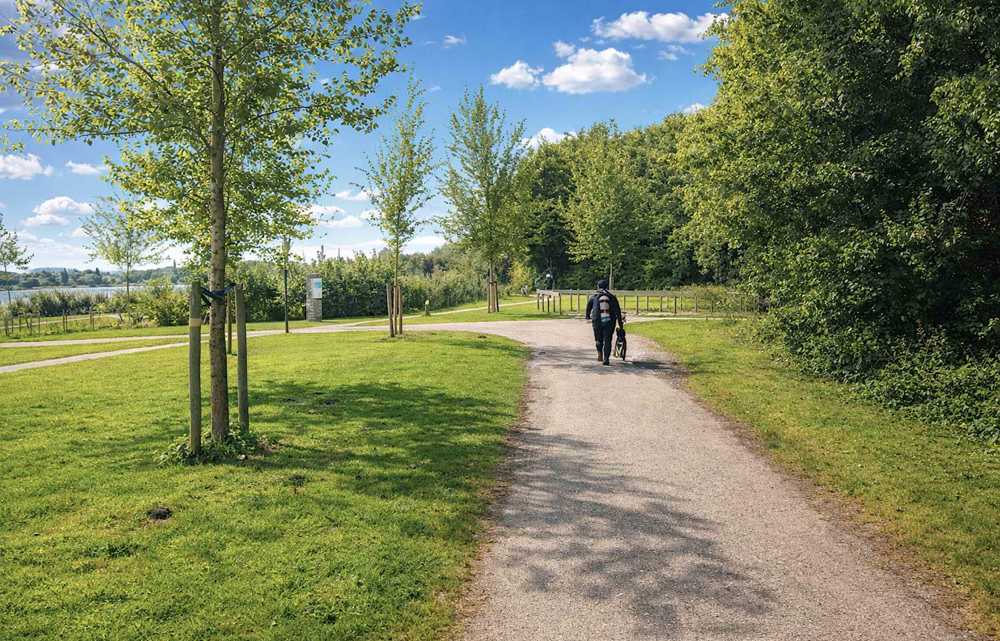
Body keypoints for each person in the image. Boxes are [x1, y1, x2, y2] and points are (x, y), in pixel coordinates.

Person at [585, 278, 623, 366]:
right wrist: (620, 324)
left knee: (598, 339)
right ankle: (606, 359)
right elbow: (618, 311)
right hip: (610, 321)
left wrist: (587, 316)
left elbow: (588, 308)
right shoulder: (612, 297)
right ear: (607, 287)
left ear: (598, 287)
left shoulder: (594, 297)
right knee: (608, 340)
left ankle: (600, 354)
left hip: (597, 320)